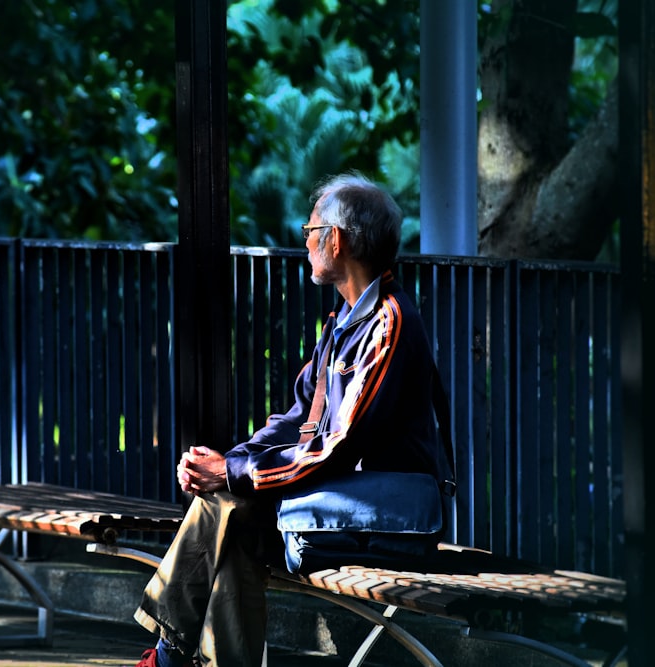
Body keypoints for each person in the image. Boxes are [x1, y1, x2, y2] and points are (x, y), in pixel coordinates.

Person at [130, 172, 447, 667]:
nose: (305, 242)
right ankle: (175, 656)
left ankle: (168, 656)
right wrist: (226, 463)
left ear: (335, 241)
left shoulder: (389, 322)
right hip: (341, 500)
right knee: (230, 517)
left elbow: (338, 444)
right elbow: (299, 416)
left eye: (309, 231)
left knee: (228, 506)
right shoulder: (344, 323)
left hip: (390, 515)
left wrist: (231, 475)